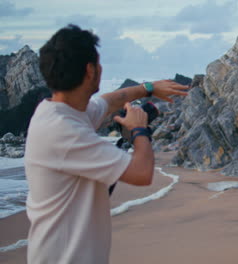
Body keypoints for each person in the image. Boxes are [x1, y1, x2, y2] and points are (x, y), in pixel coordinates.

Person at [24, 24, 189, 263]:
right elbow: (142, 174)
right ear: (91, 70)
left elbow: (109, 102)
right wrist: (138, 130)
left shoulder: (60, 112)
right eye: (99, 63)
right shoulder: (65, 132)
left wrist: (148, 88)